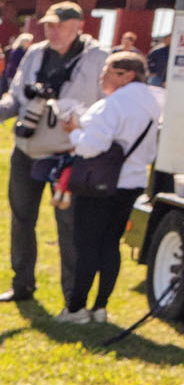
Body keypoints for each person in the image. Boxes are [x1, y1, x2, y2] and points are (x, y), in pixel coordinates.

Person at [0, 3, 105, 304]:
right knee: (21, 218)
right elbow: (16, 95)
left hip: (69, 153)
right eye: (49, 24)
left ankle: (74, 298)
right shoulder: (35, 53)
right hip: (28, 148)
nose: (53, 30)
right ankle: (22, 284)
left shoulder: (99, 57)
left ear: (79, 25)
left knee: (70, 226)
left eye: (60, 25)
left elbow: (109, 104)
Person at [54, 50, 163, 324]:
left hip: (98, 185)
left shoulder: (113, 104)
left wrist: (74, 132)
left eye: (107, 70)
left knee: (86, 245)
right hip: (132, 183)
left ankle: (76, 308)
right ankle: (100, 307)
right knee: (110, 245)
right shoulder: (153, 102)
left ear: (125, 75)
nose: (101, 75)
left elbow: (92, 146)